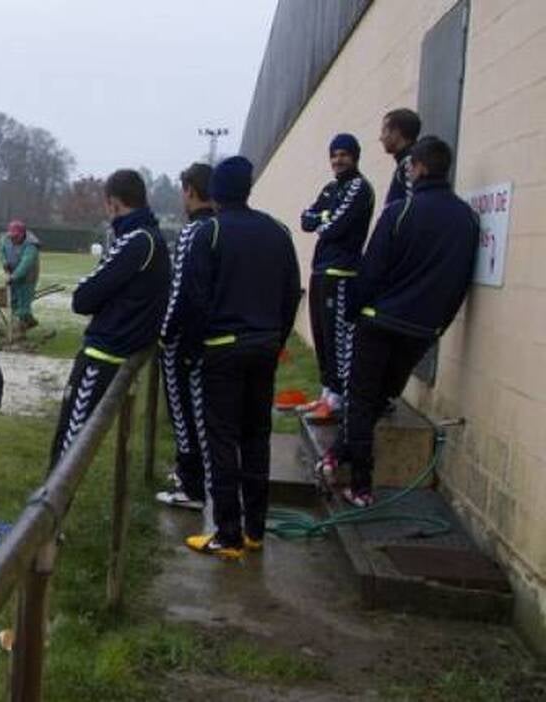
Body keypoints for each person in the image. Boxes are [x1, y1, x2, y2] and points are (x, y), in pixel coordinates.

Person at [319, 137, 478, 507]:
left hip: (380, 322)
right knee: (380, 398)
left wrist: (354, 311)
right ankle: (337, 455)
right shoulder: (467, 219)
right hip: (422, 330)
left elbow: (371, 270)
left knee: (361, 401)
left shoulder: (400, 212)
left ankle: (360, 486)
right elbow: (460, 282)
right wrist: (439, 325)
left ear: (417, 168)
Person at [173, 156, 302, 559]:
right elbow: (291, 291)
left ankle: (227, 533)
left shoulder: (208, 233)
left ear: (216, 195)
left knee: (222, 439)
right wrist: (276, 338)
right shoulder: (277, 232)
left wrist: (192, 350)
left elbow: (193, 299)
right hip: (264, 346)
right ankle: (255, 529)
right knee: (257, 435)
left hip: (222, 350)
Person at [49, 170, 170, 471]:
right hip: (118, 348)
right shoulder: (148, 236)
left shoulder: (137, 241)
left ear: (114, 203)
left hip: (103, 355)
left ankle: (48, 515)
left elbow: (83, 298)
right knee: (70, 438)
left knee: (69, 441)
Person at [298, 134, 374, 419]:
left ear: (354, 156)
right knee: (321, 334)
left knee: (337, 336)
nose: (337, 160)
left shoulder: (359, 187)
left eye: (343, 154)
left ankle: (340, 397)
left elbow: (335, 227)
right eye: (333, 155)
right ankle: (326, 394)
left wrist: (323, 219)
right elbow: (306, 219)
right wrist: (323, 217)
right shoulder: (331, 188)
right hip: (320, 270)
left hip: (342, 273)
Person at [156, 162, 215, 510]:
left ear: (190, 191)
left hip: (186, 343)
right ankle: (197, 478)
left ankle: (191, 485)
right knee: (201, 412)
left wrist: (165, 336)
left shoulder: (193, 232)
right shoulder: (219, 228)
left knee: (183, 412)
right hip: (210, 340)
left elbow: (180, 293)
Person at [0, 220, 41, 331]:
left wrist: (14, 277)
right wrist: (4, 262)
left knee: (23, 305)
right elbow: (1, 251)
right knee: (13, 302)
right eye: (11, 236)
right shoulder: (6, 239)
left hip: (28, 277)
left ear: (22, 234)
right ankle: (25, 322)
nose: (13, 239)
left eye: (16, 237)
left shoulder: (31, 246)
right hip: (12, 273)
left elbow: (25, 264)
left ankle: (21, 329)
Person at [379, 108, 421, 206]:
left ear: (396, 132)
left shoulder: (409, 163)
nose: (381, 138)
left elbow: (412, 206)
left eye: (384, 131)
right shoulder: (409, 162)